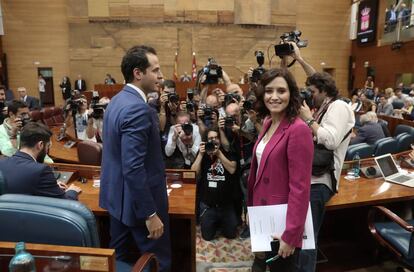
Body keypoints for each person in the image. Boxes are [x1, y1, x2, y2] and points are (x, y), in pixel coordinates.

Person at [99, 45, 170, 271]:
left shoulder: (116, 101)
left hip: (117, 201)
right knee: (159, 263)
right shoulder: (138, 109)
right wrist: (150, 213)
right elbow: (133, 166)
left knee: (121, 260)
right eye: (156, 70)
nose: (161, 76)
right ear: (138, 73)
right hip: (140, 207)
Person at [248, 68, 314, 272]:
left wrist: (291, 234)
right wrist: (253, 211)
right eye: (269, 91)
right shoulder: (268, 122)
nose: (274, 96)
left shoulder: (298, 129)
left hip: (283, 222)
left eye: (281, 91)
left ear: (291, 94)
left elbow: (300, 188)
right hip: (264, 214)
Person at [297, 71, 355, 271]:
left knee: (306, 239)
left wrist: (308, 119)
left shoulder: (339, 106)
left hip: (320, 182)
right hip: (311, 179)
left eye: (312, 91)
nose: (310, 95)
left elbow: (330, 140)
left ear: (324, 90)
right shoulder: (325, 106)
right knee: (302, 236)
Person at [0, 122, 81, 199]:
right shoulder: (41, 170)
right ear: (40, 145)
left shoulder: (2, 163)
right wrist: (72, 191)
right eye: (48, 146)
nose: (47, 150)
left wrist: (51, 187)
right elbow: (65, 202)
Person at [191, 128, 238, 241]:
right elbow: (193, 173)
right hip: (208, 205)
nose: (213, 140)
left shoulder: (227, 151)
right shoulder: (202, 152)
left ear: (220, 139)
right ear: (206, 141)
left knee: (231, 234)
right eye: (210, 138)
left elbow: (232, 169)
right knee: (207, 237)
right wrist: (201, 155)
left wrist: (219, 154)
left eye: (216, 137)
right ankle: (215, 223)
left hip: (226, 205)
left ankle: (221, 223)